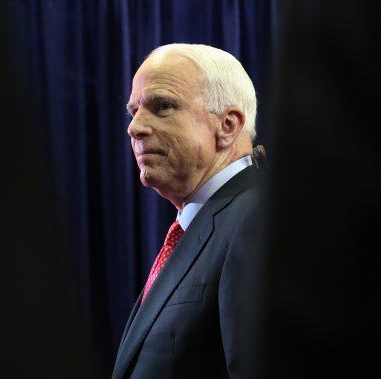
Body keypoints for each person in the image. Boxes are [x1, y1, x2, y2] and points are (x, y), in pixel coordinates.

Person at [112, 43, 262, 379]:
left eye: (162, 106)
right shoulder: (202, 224)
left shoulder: (256, 220)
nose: (134, 127)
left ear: (227, 125)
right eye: (133, 111)